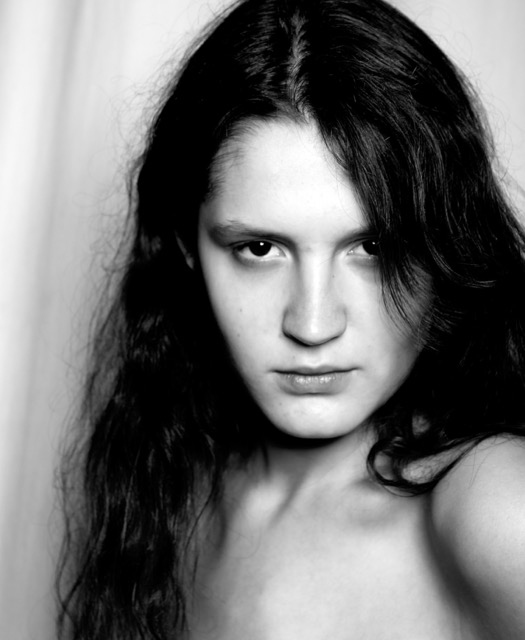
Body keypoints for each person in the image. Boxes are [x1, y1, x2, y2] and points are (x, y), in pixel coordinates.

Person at [57, 0, 525, 638]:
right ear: (187, 244)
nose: (312, 324)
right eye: (259, 249)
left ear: (448, 245)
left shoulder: (492, 511)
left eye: (373, 247)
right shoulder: (166, 494)